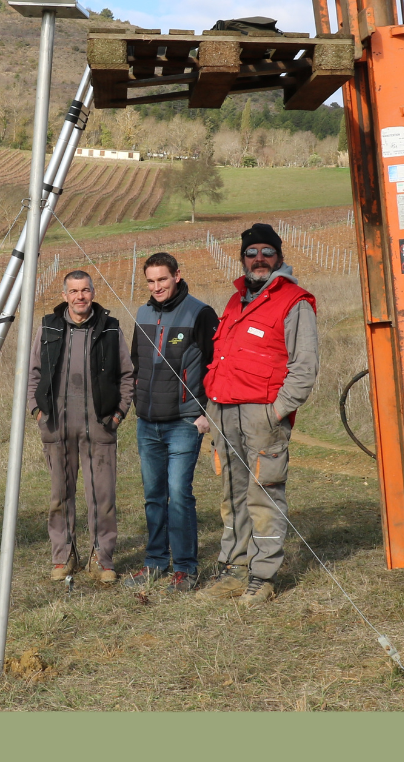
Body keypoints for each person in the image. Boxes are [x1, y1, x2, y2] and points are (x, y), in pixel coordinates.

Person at [198, 223, 319, 606]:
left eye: (267, 252)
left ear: (279, 257)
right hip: (224, 411)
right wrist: (211, 406)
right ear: (242, 258)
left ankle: (263, 576)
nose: (259, 259)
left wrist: (277, 411)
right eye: (252, 253)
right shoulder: (236, 301)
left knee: (263, 493)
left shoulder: (295, 300)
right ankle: (235, 568)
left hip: (262, 416)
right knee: (232, 494)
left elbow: (304, 366)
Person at [27, 271, 134, 585]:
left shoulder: (111, 328)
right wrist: (37, 412)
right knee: (60, 495)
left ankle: (103, 559)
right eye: (73, 291)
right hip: (57, 428)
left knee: (102, 497)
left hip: (100, 429)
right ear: (65, 295)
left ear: (93, 292)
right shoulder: (47, 327)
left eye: (85, 290)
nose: (80, 297)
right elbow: (33, 374)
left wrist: (117, 416)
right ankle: (63, 557)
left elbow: (127, 376)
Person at [125, 252, 219, 592]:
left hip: (184, 422)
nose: (156, 287)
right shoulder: (142, 313)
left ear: (177, 275)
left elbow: (217, 365)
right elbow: (135, 363)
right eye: (150, 281)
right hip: (147, 423)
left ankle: (185, 568)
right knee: (153, 495)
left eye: (162, 279)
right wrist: (135, 401)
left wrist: (207, 413)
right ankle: (154, 563)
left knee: (179, 494)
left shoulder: (200, 313)